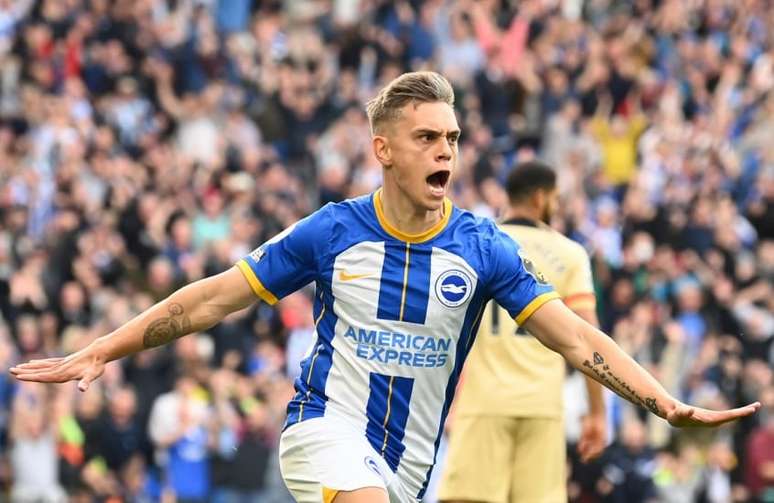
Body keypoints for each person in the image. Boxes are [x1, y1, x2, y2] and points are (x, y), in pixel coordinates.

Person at [10, 72, 760, 503]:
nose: (447, 151)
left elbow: (577, 337)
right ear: (385, 151)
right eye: (429, 138)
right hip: (323, 429)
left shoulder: (481, 246)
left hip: (408, 463)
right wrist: (101, 349)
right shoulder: (332, 232)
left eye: (454, 138)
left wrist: (665, 403)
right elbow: (211, 298)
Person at [438, 161, 607, 503]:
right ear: (541, 197)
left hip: (484, 401)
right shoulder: (569, 254)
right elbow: (589, 339)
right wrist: (597, 414)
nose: (556, 206)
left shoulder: (478, 243)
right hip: (543, 407)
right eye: (555, 198)